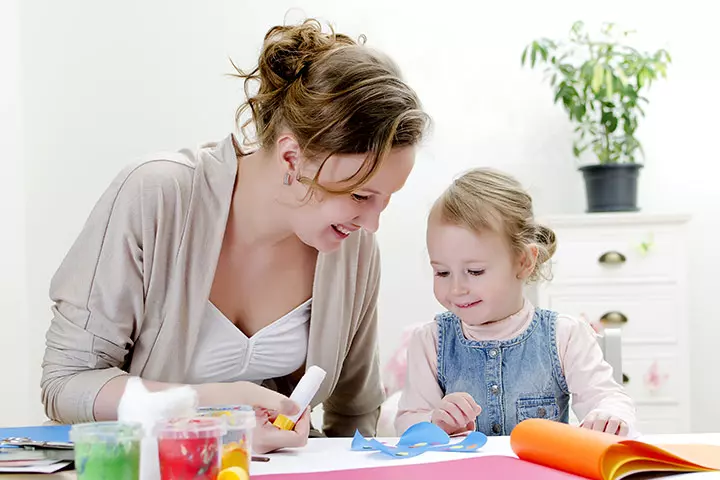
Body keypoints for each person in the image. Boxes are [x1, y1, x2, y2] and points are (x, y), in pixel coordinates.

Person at [40, 18, 429, 453]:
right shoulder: (158, 197)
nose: (372, 223)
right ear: (290, 157)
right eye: (360, 195)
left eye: (386, 198)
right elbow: (66, 384)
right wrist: (214, 406)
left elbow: (353, 415)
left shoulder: (350, 246)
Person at [395, 168, 635, 437]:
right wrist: (434, 422)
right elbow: (407, 421)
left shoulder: (564, 336)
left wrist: (609, 416)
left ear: (523, 261)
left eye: (475, 271)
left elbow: (609, 397)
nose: (456, 288)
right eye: (442, 272)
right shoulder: (430, 342)